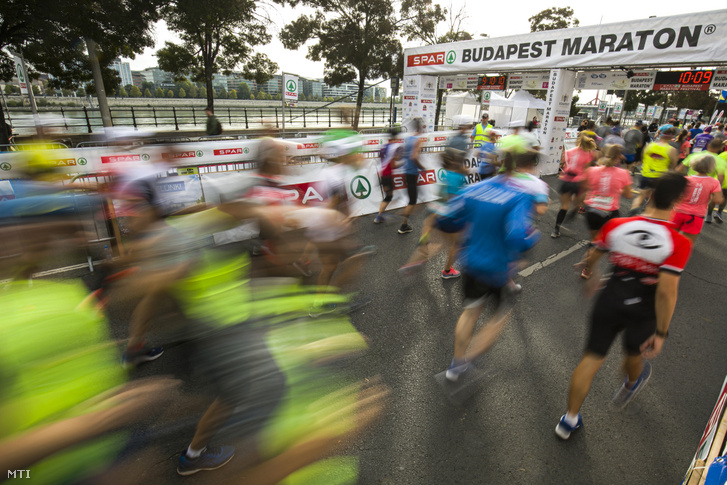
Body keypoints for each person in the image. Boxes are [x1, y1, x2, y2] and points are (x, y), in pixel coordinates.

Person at [555, 173, 692, 440]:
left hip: (611, 297)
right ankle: (630, 383)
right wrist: (662, 333)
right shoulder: (678, 242)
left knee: (592, 357)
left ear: (649, 194)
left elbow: (593, 255)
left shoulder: (617, 225)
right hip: (644, 308)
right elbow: (666, 291)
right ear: (677, 201)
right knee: (634, 354)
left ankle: (568, 420)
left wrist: (590, 273)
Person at [434, 166, 541, 382]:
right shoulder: (519, 196)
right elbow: (516, 238)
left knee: (470, 312)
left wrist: (463, 230)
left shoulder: (475, 189)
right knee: (500, 316)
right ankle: (470, 360)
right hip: (498, 270)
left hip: (471, 263)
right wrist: (532, 239)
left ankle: (455, 366)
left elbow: (444, 218)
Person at [578, 144, 633, 278]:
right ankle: (590, 263)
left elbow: (584, 187)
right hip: (610, 214)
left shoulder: (591, 170)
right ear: (618, 157)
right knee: (605, 244)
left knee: (594, 240)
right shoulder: (623, 173)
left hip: (592, 211)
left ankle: (587, 268)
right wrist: (617, 190)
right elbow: (629, 195)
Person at [552, 133, 599, 238]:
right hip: (578, 182)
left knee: (564, 205)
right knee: (578, 204)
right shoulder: (589, 155)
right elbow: (586, 171)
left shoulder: (568, 152)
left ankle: (556, 229)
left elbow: (563, 165)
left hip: (566, 180)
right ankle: (572, 214)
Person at [671, 153, 723, 241]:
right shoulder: (714, 182)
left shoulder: (686, 179)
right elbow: (717, 200)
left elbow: (675, 196)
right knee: (686, 243)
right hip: (696, 216)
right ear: (712, 167)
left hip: (678, 212)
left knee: (670, 238)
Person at [630, 128, 678, 213]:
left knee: (640, 196)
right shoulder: (672, 150)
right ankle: (646, 216)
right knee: (654, 199)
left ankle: (632, 212)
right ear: (671, 138)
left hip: (645, 174)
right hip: (660, 177)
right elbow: (673, 165)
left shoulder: (649, 145)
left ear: (661, 135)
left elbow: (643, 157)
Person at [680, 139, 727, 223]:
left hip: (680, 208)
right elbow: (721, 176)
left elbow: (679, 168)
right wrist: (718, 190)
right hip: (704, 193)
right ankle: (713, 214)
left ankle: (710, 214)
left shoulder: (695, 155)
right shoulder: (719, 159)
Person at [399, 118, 425, 234]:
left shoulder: (409, 139)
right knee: (412, 201)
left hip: (407, 172)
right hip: (412, 173)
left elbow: (404, 155)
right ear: (421, 128)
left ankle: (404, 220)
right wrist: (422, 167)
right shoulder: (418, 140)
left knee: (412, 199)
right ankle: (403, 225)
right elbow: (413, 157)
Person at [374, 128, 401, 224]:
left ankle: (379, 216)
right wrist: (402, 163)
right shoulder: (394, 147)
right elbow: (394, 164)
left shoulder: (384, 146)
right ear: (396, 136)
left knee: (388, 195)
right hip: (387, 175)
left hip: (382, 174)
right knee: (389, 196)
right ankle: (378, 216)